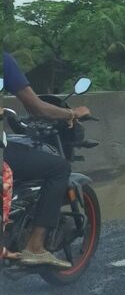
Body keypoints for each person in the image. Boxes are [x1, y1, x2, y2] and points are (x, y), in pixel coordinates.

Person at [2, 50, 89, 268]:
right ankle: (35, 247)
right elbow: (38, 108)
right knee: (58, 168)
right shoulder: (4, 61)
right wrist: (72, 114)